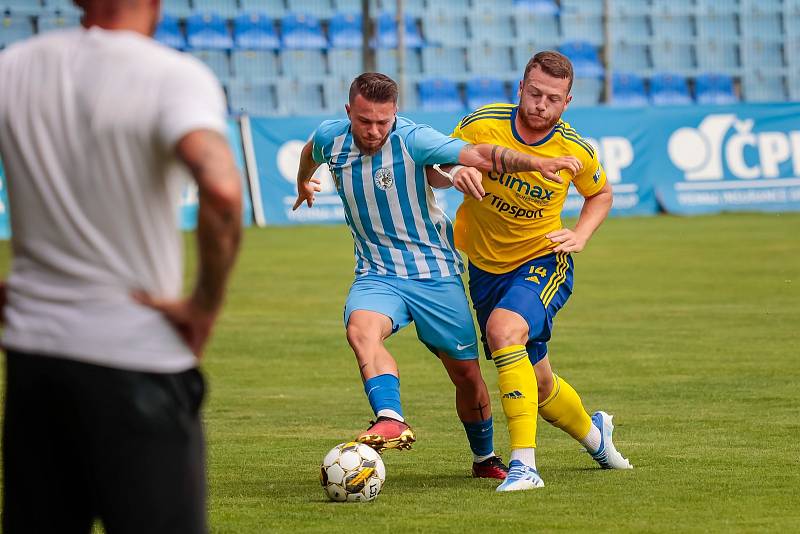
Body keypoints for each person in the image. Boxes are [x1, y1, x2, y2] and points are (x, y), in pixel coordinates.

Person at [0, 1, 242, 532]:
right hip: (136, 357)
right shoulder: (172, 76)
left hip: (34, 361)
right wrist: (204, 304)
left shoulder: (14, 66)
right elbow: (222, 191)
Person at [292, 72, 581, 480]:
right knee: (361, 330)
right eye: (364, 121)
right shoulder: (330, 138)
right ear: (348, 113)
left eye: (382, 121)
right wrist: (303, 182)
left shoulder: (413, 139)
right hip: (377, 273)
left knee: (466, 375)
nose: (374, 130)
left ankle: (485, 458)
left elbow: (482, 156)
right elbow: (310, 151)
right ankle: (390, 417)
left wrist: (537, 162)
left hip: (436, 274)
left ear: (395, 114)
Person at [443, 50, 633, 492]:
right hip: (485, 268)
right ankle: (595, 437)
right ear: (520, 89)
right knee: (539, 381)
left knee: (503, 330)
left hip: (542, 260)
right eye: (534, 93)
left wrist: (581, 234)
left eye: (552, 98)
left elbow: (600, 194)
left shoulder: (576, 149)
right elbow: (439, 163)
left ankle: (524, 466)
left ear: (567, 102)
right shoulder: (482, 123)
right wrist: (454, 171)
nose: (540, 105)